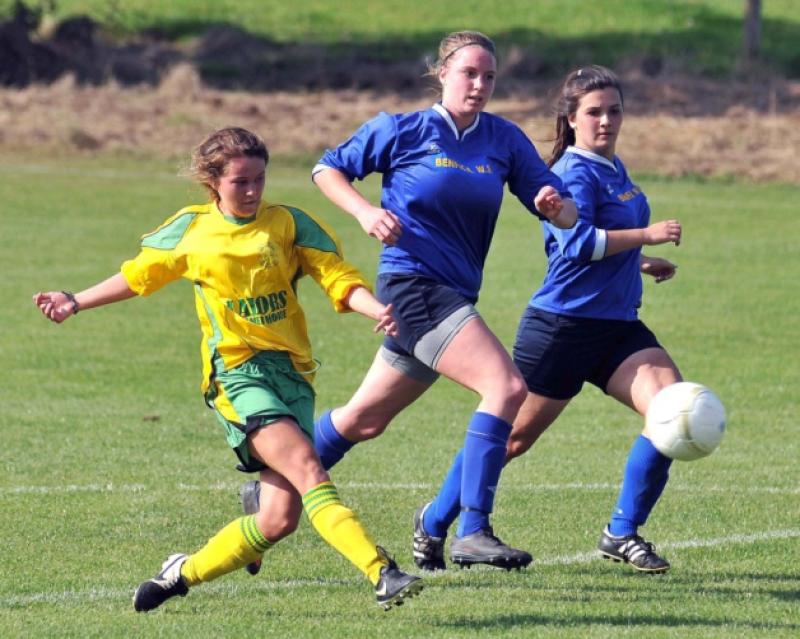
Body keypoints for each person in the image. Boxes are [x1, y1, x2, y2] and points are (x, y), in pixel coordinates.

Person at [32, 127, 424, 611]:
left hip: (293, 376)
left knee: (278, 520)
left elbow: (337, 276)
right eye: (241, 182)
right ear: (213, 181)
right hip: (237, 374)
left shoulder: (289, 224)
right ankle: (381, 572)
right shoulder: (193, 230)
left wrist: (373, 308)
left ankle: (181, 573)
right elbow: (139, 275)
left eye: (260, 179)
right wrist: (74, 301)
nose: (254, 190)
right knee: (308, 467)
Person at [240, 30, 578, 572]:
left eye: (489, 76)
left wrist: (553, 205)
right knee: (506, 386)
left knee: (363, 421)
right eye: (470, 73)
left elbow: (565, 214)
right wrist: (364, 213)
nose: (480, 85)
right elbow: (327, 168)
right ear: (442, 73)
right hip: (413, 287)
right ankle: (472, 529)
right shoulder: (401, 130)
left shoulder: (504, 140)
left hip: (452, 294)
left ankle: (270, 490)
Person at [415, 65, 683, 573]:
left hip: (618, 327)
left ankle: (621, 532)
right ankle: (432, 522)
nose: (606, 120)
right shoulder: (570, 173)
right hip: (562, 328)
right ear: (572, 117)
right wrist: (645, 237)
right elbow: (577, 244)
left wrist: (639, 262)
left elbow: (598, 244)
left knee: (673, 412)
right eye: (594, 112)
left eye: (614, 110)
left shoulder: (613, 166)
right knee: (510, 440)